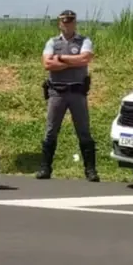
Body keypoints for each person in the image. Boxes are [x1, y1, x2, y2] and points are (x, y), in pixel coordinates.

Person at [37, 9, 99, 182]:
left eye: (70, 21)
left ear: (75, 23)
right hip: (57, 92)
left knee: (84, 132)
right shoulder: (52, 42)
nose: (67, 24)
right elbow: (47, 64)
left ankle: (90, 170)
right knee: (51, 131)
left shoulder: (84, 41)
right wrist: (72, 61)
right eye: (64, 21)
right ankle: (45, 168)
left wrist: (60, 59)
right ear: (59, 24)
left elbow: (85, 59)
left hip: (77, 92)